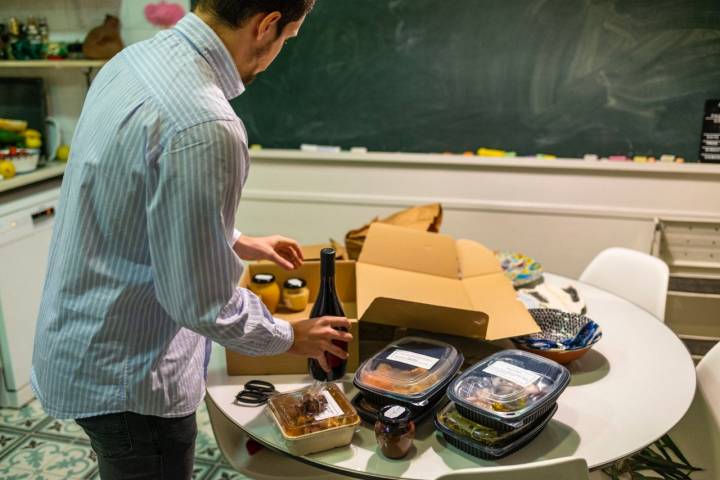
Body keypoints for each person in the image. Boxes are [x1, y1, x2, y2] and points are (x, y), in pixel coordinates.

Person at [31, 1, 351, 478]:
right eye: (290, 38)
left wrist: (236, 240)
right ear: (267, 27)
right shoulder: (205, 125)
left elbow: (135, 197)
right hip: (131, 382)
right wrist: (290, 336)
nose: (282, 49)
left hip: (81, 344)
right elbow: (202, 304)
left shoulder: (131, 62)